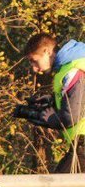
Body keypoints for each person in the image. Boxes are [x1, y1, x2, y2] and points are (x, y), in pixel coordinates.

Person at [24, 33, 85, 173]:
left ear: (47, 52)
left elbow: (72, 114)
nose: (34, 68)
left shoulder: (73, 69)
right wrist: (51, 101)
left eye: (34, 61)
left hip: (82, 146)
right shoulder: (67, 68)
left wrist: (51, 118)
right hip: (79, 145)